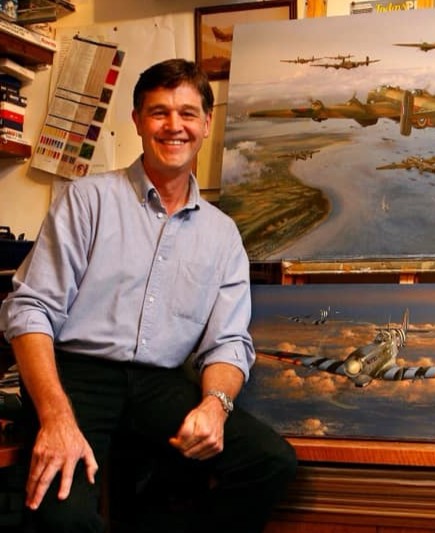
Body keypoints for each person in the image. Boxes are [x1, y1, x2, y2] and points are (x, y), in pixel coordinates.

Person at [0, 58, 297, 533]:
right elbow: (30, 309)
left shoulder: (223, 235)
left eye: (187, 113)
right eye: (159, 112)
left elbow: (228, 343)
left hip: (160, 384)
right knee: (66, 520)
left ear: (206, 123)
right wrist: (55, 418)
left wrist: (214, 405)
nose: (174, 125)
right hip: (77, 376)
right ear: (137, 121)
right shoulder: (87, 200)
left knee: (269, 463)